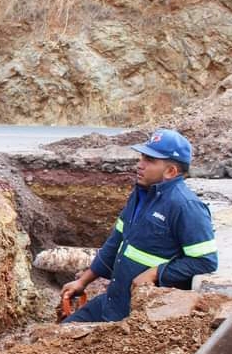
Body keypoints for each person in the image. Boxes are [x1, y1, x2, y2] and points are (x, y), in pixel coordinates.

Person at [61, 129, 217, 322]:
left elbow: (205, 260)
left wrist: (155, 273)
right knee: (58, 334)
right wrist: (82, 281)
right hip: (113, 302)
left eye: (150, 160)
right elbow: (115, 242)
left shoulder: (185, 206)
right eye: (142, 157)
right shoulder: (140, 195)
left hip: (140, 316)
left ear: (171, 171)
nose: (140, 165)